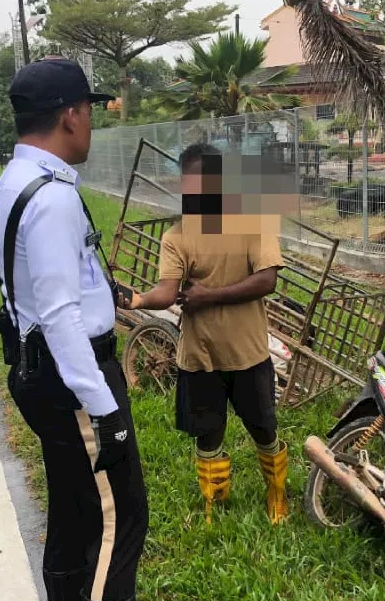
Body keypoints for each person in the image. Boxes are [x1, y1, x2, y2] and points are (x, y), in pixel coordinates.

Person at [0, 57, 178, 601]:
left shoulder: (12, 184)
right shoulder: (55, 197)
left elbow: (39, 296)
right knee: (118, 522)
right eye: (89, 109)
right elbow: (64, 316)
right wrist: (104, 410)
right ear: (70, 115)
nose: (92, 120)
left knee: (71, 516)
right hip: (73, 378)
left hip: (37, 369)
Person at [123, 143, 288, 525]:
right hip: (200, 356)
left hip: (248, 353)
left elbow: (266, 281)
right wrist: (136, 299)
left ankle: (277, 496)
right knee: (207, 434)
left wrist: (208, 297)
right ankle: (213, 505)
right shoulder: (177, 236)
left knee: (264, 428)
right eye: (191, 182)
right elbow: (167, 291)